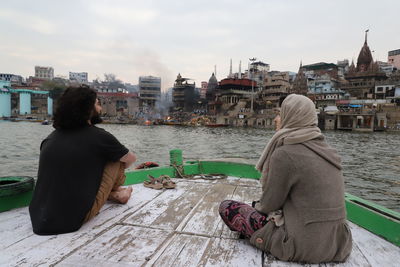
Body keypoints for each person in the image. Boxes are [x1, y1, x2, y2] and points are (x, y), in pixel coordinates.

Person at [219, 94, 352, 263]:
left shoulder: (285, 154)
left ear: (293, 118)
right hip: (338, 244)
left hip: (302, 245)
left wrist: (259, 208)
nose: (276, 119)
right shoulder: (328, 150)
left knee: (228, 207)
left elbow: (269, 205)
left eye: (281, 114)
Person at [29, 85, 136, 235]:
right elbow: (131, 159)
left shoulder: (50, 138)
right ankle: (118, 193)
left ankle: (112, 193)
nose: (100, 109)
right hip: (71, 220)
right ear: (88, 109)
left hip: (38, 218)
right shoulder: (100, 137)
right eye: (98, 104)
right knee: (117, 159)